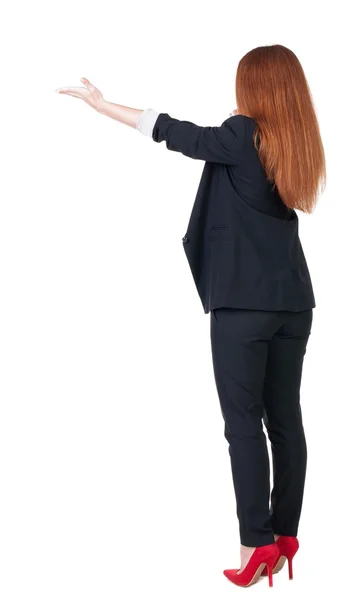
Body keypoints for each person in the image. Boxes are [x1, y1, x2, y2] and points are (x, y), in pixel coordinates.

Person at [55, 43, 326, 588]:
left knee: (243, 426)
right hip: (294, 304)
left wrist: (103, 105)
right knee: (285, 420)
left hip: (243, 308)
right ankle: (286, 535)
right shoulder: (297, 143)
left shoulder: (242, 135)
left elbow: (174, 133)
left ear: (255, 88)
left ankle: (256, 544)